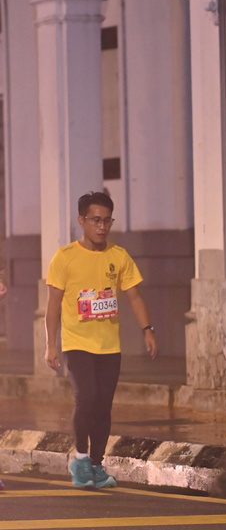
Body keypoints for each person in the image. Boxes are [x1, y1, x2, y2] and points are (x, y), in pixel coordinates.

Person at [45, 191, 158, 489]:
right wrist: (50, 344)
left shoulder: (118, 256)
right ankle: (81, 460)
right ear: (81, 221)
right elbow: (53, 305)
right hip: (76, 342)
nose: (102, 226)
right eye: (96, 220)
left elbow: (134, 296)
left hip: (109, 345)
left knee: (103, 405)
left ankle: (96, 464)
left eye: (107, 220)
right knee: (86, 398)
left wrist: (147, 329)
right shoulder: (64, 257)